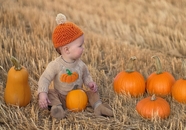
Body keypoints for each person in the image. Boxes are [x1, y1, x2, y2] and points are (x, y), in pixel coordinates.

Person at [38, 13, 114, 120]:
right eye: (80, 46)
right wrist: (42, 94)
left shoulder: (80, 65)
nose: (83, 48)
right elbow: (45, 78)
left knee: (93, 92)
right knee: (50, 93)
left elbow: (86, 75)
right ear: (66, 50)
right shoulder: (56, 65)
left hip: (79, 96)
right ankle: (58, 108)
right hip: (61, 97)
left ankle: (98, 106)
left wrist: (90, 83)